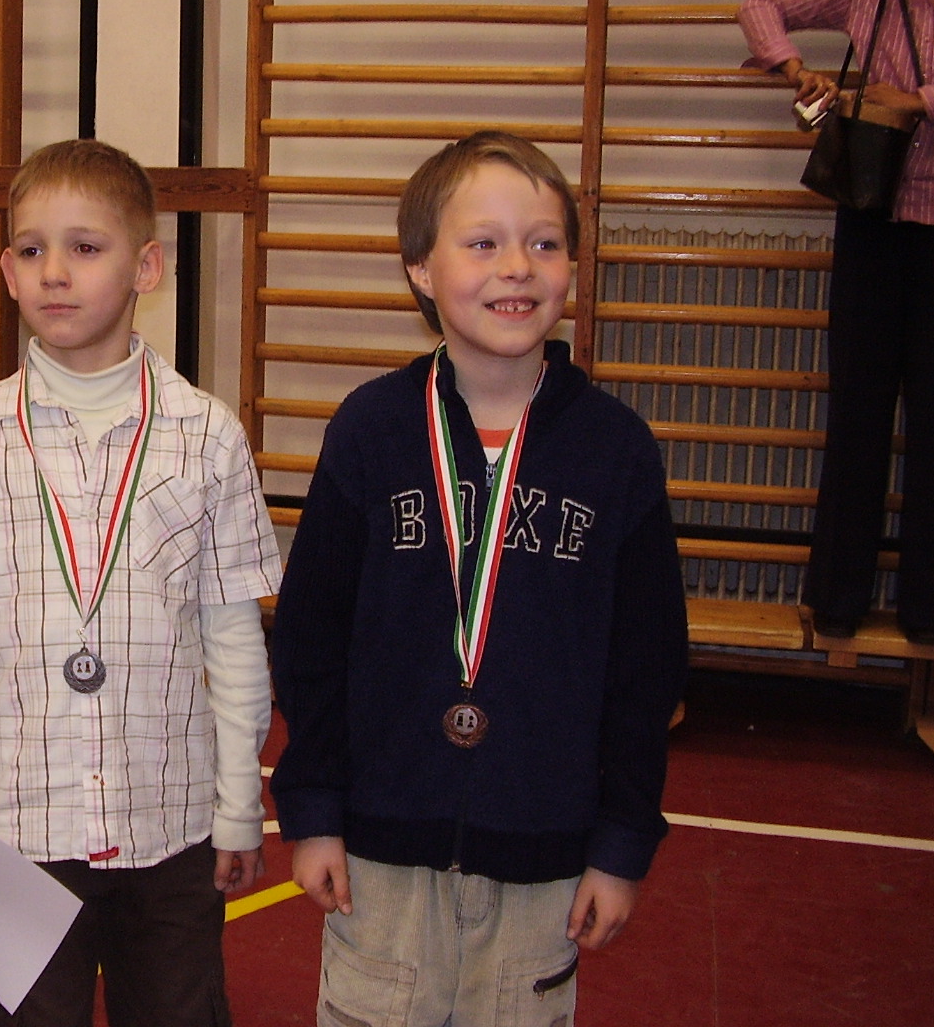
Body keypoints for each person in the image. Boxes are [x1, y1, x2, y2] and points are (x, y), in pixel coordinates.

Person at [269, 132, 688, 1027]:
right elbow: (309, 643)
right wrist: (314, 811)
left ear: (572, 267)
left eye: (544, 243)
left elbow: (647, 672)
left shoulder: (615, 452)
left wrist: (620, 845)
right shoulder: (371, 432)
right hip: (381, 857)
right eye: (484, 242)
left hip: (546, 861)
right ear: (421, 269)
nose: (518, 267)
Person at [0, 139, 282, 1027]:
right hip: (16, 826)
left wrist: (240, 805)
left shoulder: (208, 435)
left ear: (145, 267)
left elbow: (235, 640)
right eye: (32, 249)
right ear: (7, 271)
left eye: (85, 247)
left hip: (170, 824)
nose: (55, 272)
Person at [738, 0, 934, 645]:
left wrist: (920, 99)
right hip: (870, 220)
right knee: (857, 411)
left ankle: (930, 612)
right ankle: (838, 600)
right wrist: (797, 72)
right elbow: (761, 4)